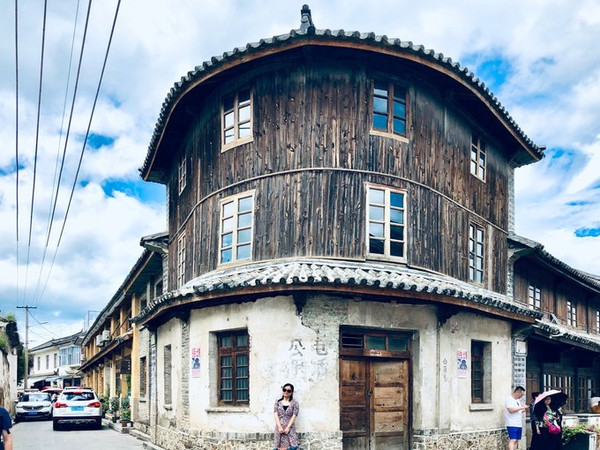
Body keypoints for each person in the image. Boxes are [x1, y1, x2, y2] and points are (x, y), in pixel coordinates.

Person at [273, 383, 299, 450]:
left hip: (290, 427)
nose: (286, 392)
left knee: (294, 447)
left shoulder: (295, 403)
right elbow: (275, 414)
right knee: (277, 447)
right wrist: (279, 427)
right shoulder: (278, 402)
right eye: (284, 390)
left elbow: (294, 415)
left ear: (291, 392)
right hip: (279, 427)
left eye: (288, 391)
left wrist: (288, 428)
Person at [505, 386, 528, 450]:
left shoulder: (517, 400)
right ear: (517, 392)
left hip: (518, 423)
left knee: (516, 440)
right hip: (512, 423)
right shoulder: (509, 399)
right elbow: (511, 410)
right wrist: (521, 407)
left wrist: (525, 409)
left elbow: (519, 411)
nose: (521, 396)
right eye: (521, 394)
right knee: (513, 440)